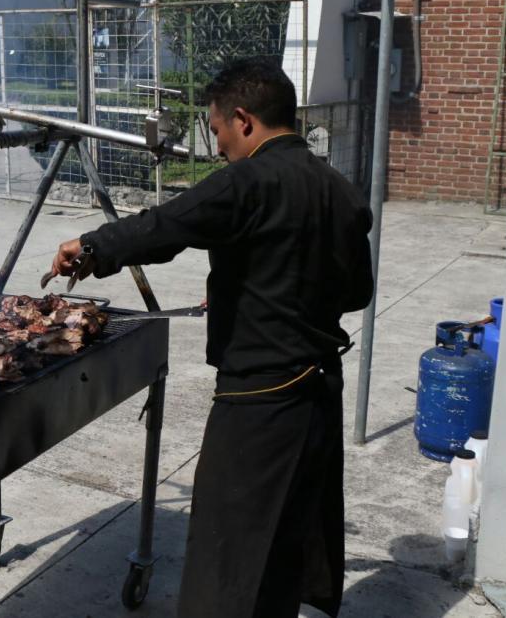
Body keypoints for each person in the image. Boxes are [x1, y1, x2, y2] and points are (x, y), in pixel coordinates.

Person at [49, 58, 374, 617]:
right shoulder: (339, 188)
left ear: (243, 120)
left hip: (260, 400)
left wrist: (92, 247)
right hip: (319, 392)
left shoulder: (247, 180)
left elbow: (168, 224)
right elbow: (355, 292)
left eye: (218, 130)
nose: (218, 145)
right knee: (286, 538)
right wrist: (258, 293)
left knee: (229, 554)